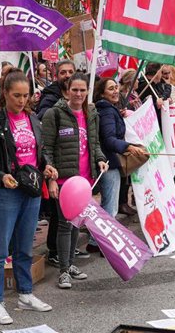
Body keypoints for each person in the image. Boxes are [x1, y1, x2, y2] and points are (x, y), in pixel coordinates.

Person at [0, 70, 54, 325]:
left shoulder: (33, 119)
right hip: (5, 193)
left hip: (31, 190)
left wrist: (47, 166)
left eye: (26, 95)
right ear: (5, 94)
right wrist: (0, 176)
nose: (22, 100)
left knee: (24, 247)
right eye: (16, 95)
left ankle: (25, 294)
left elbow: (40, 151)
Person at [41, 73, 107, 290]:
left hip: (84, 180)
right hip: (63, 180)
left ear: (88, 91)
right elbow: (46, 149)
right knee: (64, 224)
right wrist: (51, 178)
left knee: (76, 223)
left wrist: (100, 159)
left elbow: (94, 144)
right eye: (75, 90)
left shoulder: (92, 113)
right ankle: (63, 271)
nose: (78, 94)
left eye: (82, 90)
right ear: (67, 90)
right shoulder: (54, 114)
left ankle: (70, 265)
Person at [94, 76, 145, 219]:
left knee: (109, 206)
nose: (116, 91)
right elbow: (109, 139)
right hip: (108, 162)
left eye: (116, 87)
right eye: (111, 89)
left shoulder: (109, 109)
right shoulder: (107, 111)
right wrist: (128, 147)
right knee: (110, 209)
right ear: (102, 94)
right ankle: (101, 234)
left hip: (108, 160)